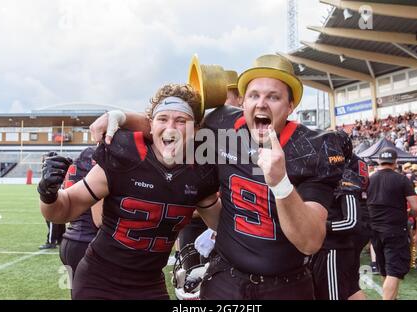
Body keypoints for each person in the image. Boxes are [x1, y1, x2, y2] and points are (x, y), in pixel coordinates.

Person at [90, 54, 346, 299]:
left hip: (285, 285)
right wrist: (121, 116)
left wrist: (281, 184)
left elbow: (310, 242)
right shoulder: (223, 127)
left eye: (273, 97)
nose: (261, 103)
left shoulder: (312, 149)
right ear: (243, 102)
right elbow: (173, 127)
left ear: (290, 106)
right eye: (254, 95)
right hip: (226, 279)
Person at [39, 84, 221, 300]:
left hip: (150, 284)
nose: (171, 127)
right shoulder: (125, 157)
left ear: (196, 129)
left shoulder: (200, 174)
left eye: (181, 121)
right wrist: (48, 194)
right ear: (150, 125)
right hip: (99, 281)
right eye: (163, 119)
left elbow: (224, 227)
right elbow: (64, 209)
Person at [311, 136, 367, 300]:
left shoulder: (346, 178)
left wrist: (320, 225)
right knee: (347, 288)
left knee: (334, 294)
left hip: (335, 248)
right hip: (326, 247)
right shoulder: (335, 171)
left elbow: (352, 222)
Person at [367, 147, 417, 300]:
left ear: (379, 161)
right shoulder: (402, 179)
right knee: (394, 271)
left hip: (375, 230)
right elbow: (416, 207)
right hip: (395, 230)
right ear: (395, 162)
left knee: (385, 270)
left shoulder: (370, 178)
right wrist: (410, 214)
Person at [59, 146, 102, 279]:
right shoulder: (98, 161)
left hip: (70, 239)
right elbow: (99, 220)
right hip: (87, 242)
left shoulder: (81, 159)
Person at [39, 152, 65, 250]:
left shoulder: (52, 170)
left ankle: (51, 241)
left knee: (52, 219)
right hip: (61, 196)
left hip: (54, 197)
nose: (43, 162)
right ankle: (60, 238)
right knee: (59, 220)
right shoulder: (59, 169)